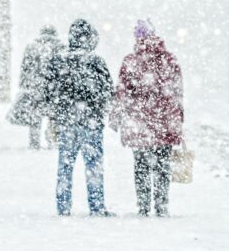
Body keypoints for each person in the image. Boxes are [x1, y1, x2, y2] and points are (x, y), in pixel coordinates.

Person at [109, 20, 184, 217]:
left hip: (139, 122)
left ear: (138, 38)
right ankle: (161, 206)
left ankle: (143, 207)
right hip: (164, 121)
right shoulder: (170, 60)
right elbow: (177, 93)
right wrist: (178, 120)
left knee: (141, 166)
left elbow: (122, 92)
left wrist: (115, 117)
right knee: (162, 166)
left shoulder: (131, 61)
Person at [45, 19, 115, 216]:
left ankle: (63, 206)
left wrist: (58, 109)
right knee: (93, 166)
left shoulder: (57, 60)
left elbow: (48, 91)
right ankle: (97, 206)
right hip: (91, 122)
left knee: (65, 167)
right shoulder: (95, 61)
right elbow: (109, 91)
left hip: (67, 121)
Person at [10, 25, 64, 149]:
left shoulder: (32, 47)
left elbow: (25, 69)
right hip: (53, 88)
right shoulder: (60, 47)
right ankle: (53, 141)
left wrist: (23, 86)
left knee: (35, 116)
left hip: (35, 87)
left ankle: (34, 143)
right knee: (54, 115)